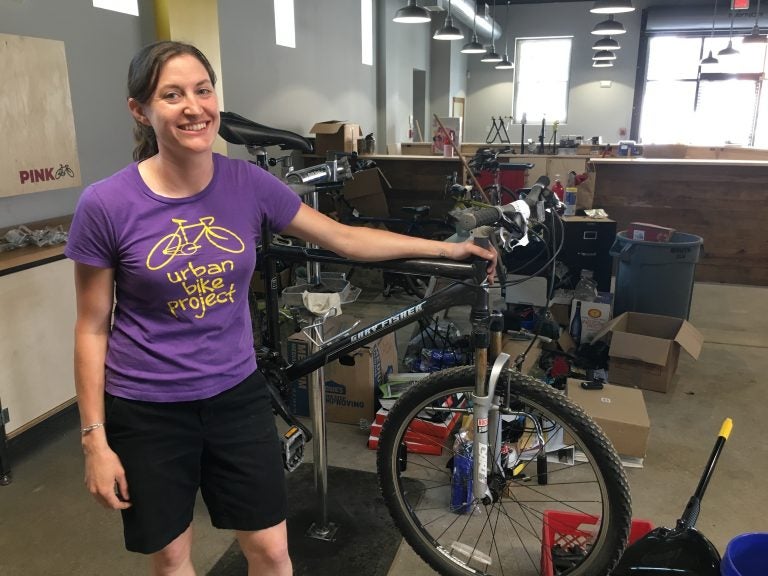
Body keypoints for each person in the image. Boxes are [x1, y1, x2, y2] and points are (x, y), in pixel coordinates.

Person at [65, 40, 496, 576]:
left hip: (235, 398)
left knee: (271, 552)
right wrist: (94, 441)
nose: (193, 107)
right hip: (148, 410)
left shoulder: (246, 184)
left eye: (203, 90)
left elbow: (344, 239)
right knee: (173, 559)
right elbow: (90, 328)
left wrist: (447, 248)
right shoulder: (106, 205)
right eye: (172, 95)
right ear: (141, 110)